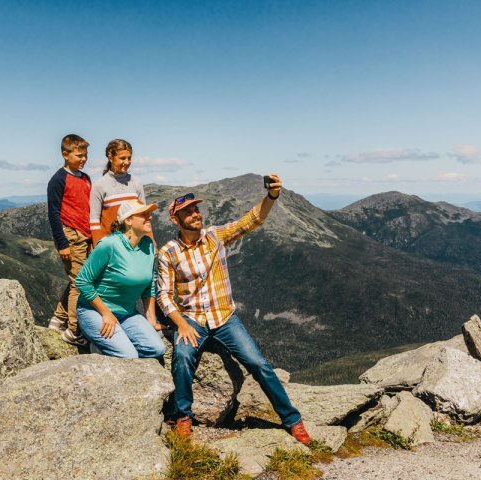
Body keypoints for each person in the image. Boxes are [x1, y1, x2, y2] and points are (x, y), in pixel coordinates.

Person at [156, 174, 310, 444]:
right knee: (181, 358)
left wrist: (271, 196)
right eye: (187, 212)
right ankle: (183, 417)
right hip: (192, 319)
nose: (194, 214)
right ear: (175, 220)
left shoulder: (214, 237)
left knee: (258, 363)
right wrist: (180, 323)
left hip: (224, 317)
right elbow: (164, 295)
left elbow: (251, 220)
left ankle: (292, 420)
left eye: (195, 209)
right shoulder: (168, 252)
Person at [75, 199, 166, 359]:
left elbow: (150, 284)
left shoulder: (149, 245)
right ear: (128, 220)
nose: (149, 217)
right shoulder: (109, 245)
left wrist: (151, 319)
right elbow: (82, 281)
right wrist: (106, 313)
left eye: (149, 214)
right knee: (128, 355)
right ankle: (97, 345)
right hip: (94, 311)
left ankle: (114, 342)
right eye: (143, 214)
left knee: (157, 348)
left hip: (127, 313)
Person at [46, 134, 92, 347]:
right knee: (80, 283)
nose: (83, 159)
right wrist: (62, 243)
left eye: (85, 155)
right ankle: (74, 331)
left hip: (85, 235)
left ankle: (58, 318)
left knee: (77, 280)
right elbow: (53, 213)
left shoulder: (85, 178)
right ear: (65, 154)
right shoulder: (58, 179)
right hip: (70, 235)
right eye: (79, 155)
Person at [89, 139, 147, 246]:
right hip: (111, 245)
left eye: (129, 158)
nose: (127, 162)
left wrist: (150, 241)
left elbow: (144, 215)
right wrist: (99, 247)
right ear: (110, 157)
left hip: (135, 244)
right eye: (122, 158)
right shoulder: (100, 185)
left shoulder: (136, 183)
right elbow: (94, 220)